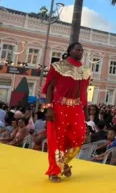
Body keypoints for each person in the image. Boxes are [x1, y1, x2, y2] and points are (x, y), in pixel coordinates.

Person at [42, 43, 91, 183]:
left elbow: (84, 92)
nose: (80, 52)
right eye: (77, 49)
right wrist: (49, 107)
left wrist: (85, 109)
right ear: (70, 51)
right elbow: (50, 88)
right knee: (57, 139)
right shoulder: (58, 66)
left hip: (76, 107)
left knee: (80, 136)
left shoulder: (86, 70)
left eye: (82, 50)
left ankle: (63, 164)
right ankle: (54, 172)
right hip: (59, 106)